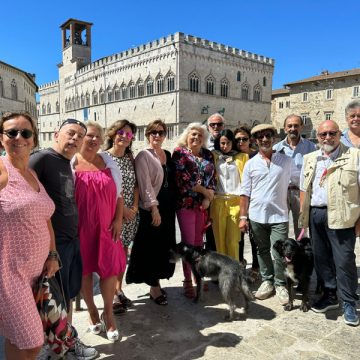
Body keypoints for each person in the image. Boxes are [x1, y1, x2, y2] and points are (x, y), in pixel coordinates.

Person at [29, 119, 98, 359]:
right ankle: (61, 347)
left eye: (80, 136)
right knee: (53, 302)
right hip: (53, 246)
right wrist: (49, 250)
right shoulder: (41, 159)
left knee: (65, 297)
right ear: (56, 134)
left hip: (70, 241)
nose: (75, 139)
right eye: (71, 134)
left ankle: (64, 344)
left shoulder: (66, 163)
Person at [0, 112, 59, 360]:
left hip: (37, 274)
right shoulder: (2, 172)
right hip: (9, 275)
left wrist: (53, 254)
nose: (18, 138)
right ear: (1, 138)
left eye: (25, 133)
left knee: (20, 340)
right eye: (11, 132)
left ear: (33, 139)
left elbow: (45, 217)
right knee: (33, 342)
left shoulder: (32, 175)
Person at [299, 120, 360, 326]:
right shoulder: (310, 158)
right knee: (321, 259)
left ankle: (350, 302)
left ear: (339, 135)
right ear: (317, 137)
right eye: (323, 134)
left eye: (332, 133)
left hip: (342, 216)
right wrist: (304, 216)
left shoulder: (354, 156)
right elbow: (303, 189)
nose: (327, 138)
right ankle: (330, 294)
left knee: (343, 261)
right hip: (316, 214)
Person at [71, 121, 125, 341]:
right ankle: (92, 312)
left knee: (109, 271)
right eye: (89, 136)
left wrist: (118, 220)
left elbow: (119, 195)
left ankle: (109, 314)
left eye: (97, 137)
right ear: (81, 137)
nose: (93, 140)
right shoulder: (71, 164)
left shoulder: (109, 163)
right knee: (84, 271)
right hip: (80, 228)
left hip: (107, 227)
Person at [239, 124, 300, 306]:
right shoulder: (250, 164)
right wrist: (243, 218)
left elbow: (300, 181)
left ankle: (280, 283)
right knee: (262, 250)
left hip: (279, 215)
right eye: (260, 137)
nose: (264, 140)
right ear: (255, 141)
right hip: (256, 215)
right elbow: (245, 193)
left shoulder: (286, 161)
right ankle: (267, 281)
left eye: (268, 136)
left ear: (273, 138)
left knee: (280, 252)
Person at [126, 120, 176, 305]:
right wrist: (154, 208)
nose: (157, 136)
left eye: (161, 132)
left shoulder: (168, 155)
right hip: (152, 208)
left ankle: (157, 282)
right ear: (147, 135)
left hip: (169, 208)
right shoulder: (143, 156)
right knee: (152, 248)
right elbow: (145, 184)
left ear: (165, 135)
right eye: (153, 132)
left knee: (164, 247)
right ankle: (154, 288)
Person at [172, 123, 216, 298]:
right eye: (193, 135)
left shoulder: (207, 154)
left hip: (203, 205)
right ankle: (187, 280)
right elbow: (183, 179)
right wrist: (205, 192)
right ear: (186, 136)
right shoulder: (179, 153)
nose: (196, 138)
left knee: (199, 243)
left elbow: (212, 177)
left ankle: (199, 276)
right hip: (186, 204)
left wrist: (208, 198)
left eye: (199, 135)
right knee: (188, 244)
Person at [104, 119, 139, 314]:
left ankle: (118, 290)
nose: (124, 137)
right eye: (121, 133)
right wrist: (122, 210)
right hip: (112, 215)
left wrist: (133, 206)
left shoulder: (130, 158)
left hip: (131, 215)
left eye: (129, 134)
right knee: (112, 255)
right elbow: (103, 189)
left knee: (123, 253)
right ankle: (111, 296)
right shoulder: (103, 158)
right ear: (112, 134)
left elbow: (136, 185)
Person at [273, 114, 316, 238]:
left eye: (296, 125)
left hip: (301, 192)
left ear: (301, 127)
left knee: (301, 229)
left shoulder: (311, 147)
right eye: (290, 126)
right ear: (285, 128)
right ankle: (282, 256)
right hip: (282, 193)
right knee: (280, 228)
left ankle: (302, 255)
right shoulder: (277, 148)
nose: (293, 128)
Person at [210, 129, 248, 260]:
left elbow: (247, 181)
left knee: (233, 240)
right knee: (219, 241)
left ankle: (235, 272)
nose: (224, 146)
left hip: (236, 202)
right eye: (222, 143)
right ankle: (222, 273)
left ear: (233, 143)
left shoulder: (242, 157)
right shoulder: (213, 156)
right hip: (218, 201)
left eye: (227, 143)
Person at [234, 125, 259, 282]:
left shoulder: (256, 156)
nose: (241, 142)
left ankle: (256, 266)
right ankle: (241, 263)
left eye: (244, 139)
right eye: (238, 139)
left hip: (255, 201)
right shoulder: (233, 156)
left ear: (250, 140)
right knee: (239, 237)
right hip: (238, 202)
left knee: (255, 237)